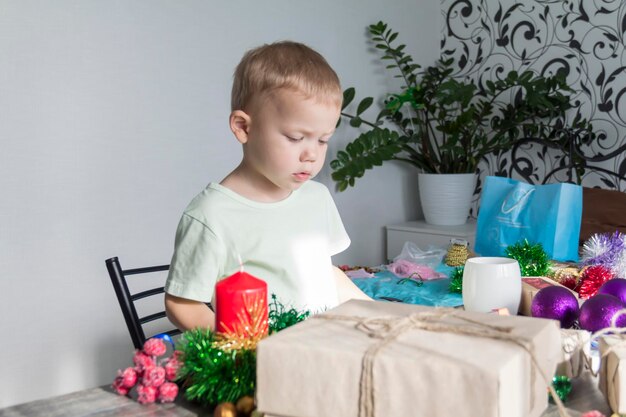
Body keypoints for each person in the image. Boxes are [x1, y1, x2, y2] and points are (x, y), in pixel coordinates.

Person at [164, 41, 371, 331]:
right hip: (262, 363)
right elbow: (182, 303)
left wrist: (379, 313)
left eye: (323, 140)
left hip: (321, 349)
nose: (311, 154)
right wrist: (243, 348)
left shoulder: (317, 197)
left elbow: (326, 274)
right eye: (296, 137)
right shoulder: (212, 214)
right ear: (244, 127)